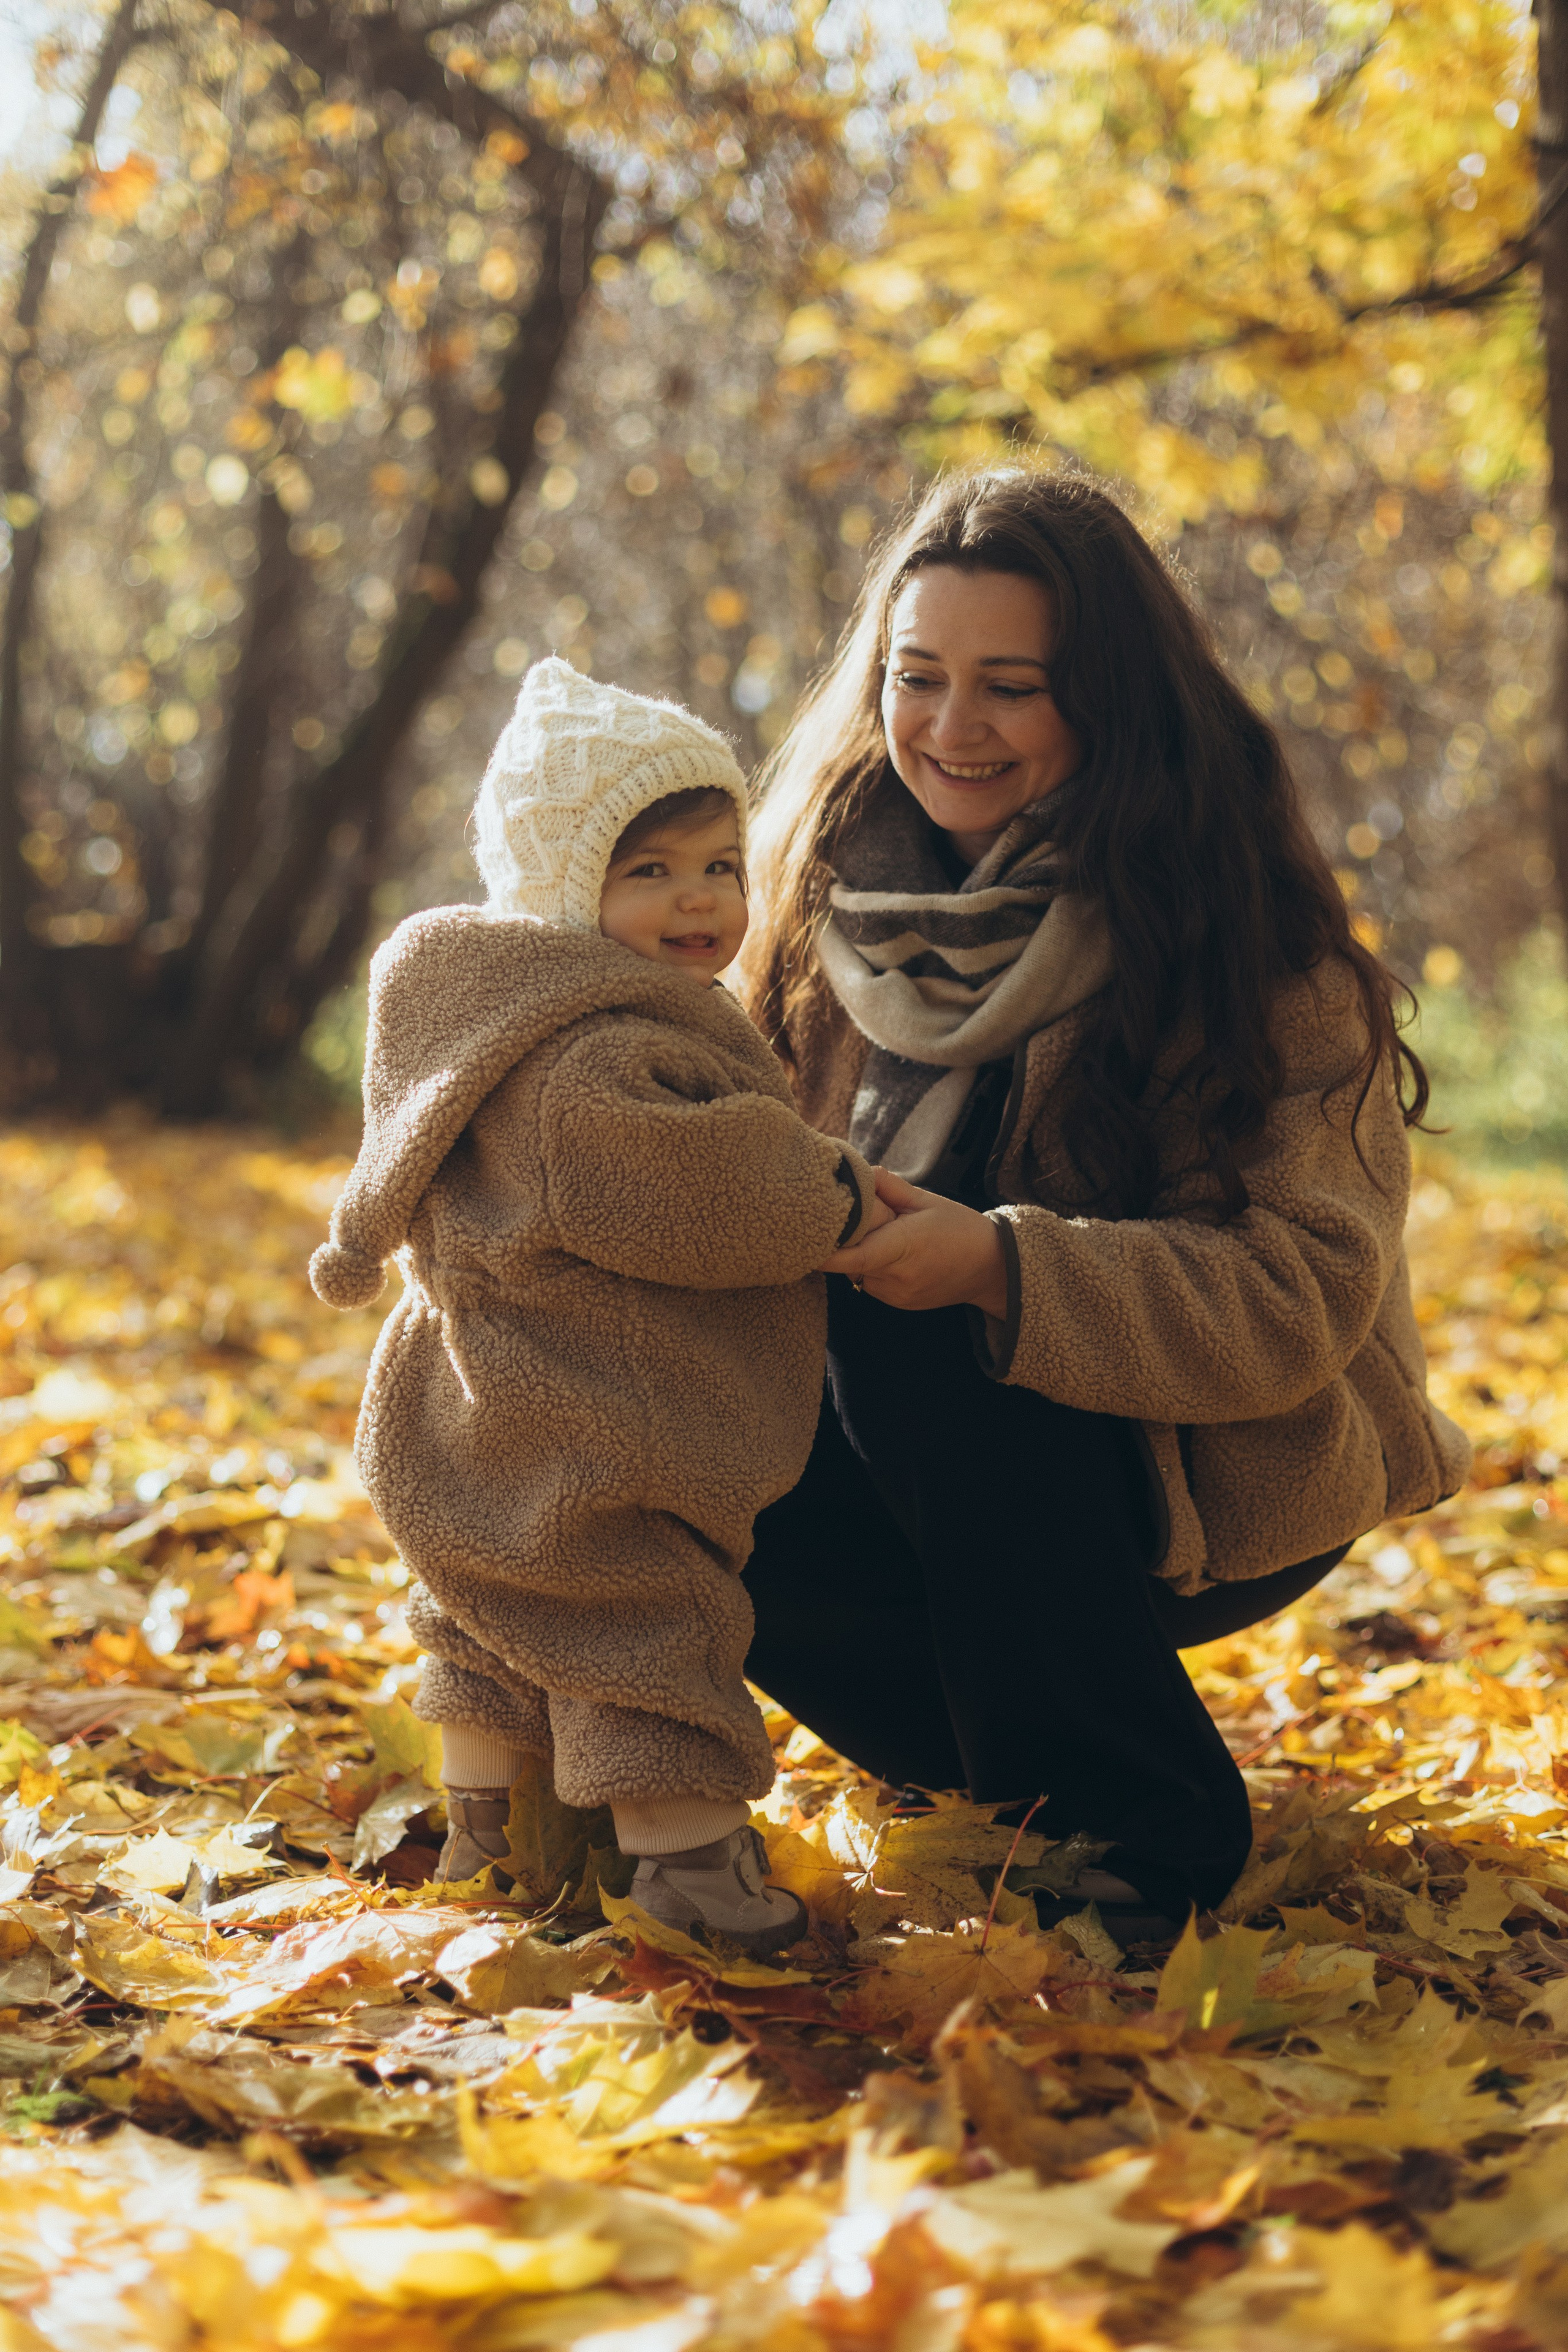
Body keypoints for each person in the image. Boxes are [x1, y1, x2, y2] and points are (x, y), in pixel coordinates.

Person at [737, 469, 1472, 1940]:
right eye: (916, 678)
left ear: (1111, 700)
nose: (951, 729)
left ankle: (1149, 1831)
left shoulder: (1249, 946)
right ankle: (1021, 1785)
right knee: (665, 1417)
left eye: (1009, 688)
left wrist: (1005, 1271)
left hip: (1208, 1464)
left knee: (916, 1322)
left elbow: (1299, 1298)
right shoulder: (813, 921)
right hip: (910, 1473)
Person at [310, 657, 886, 1953]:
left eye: (717, 866)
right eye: (649, 873)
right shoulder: (596, 1052)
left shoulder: (493, 1018)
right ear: (570, 887)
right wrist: (835, 1200)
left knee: (490, 1623)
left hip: (469, 1400)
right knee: (645, 1625)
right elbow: (693, 1191)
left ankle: (489, 1838)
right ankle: (688, 1878)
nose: (697, 900)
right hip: (592, 1413)